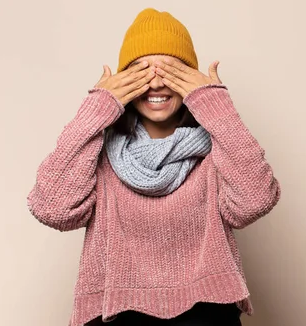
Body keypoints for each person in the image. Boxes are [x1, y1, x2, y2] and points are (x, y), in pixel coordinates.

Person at [26, 8, 281, 326]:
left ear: (189, 80)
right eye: (142, 72)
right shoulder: (98, 153)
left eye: (171, 71)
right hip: (116, 315)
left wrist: (216, 106)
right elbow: (53, 209)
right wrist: (97, 108)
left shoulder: (219, 149)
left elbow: (255, 201)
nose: (156, 84)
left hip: (206, 315)